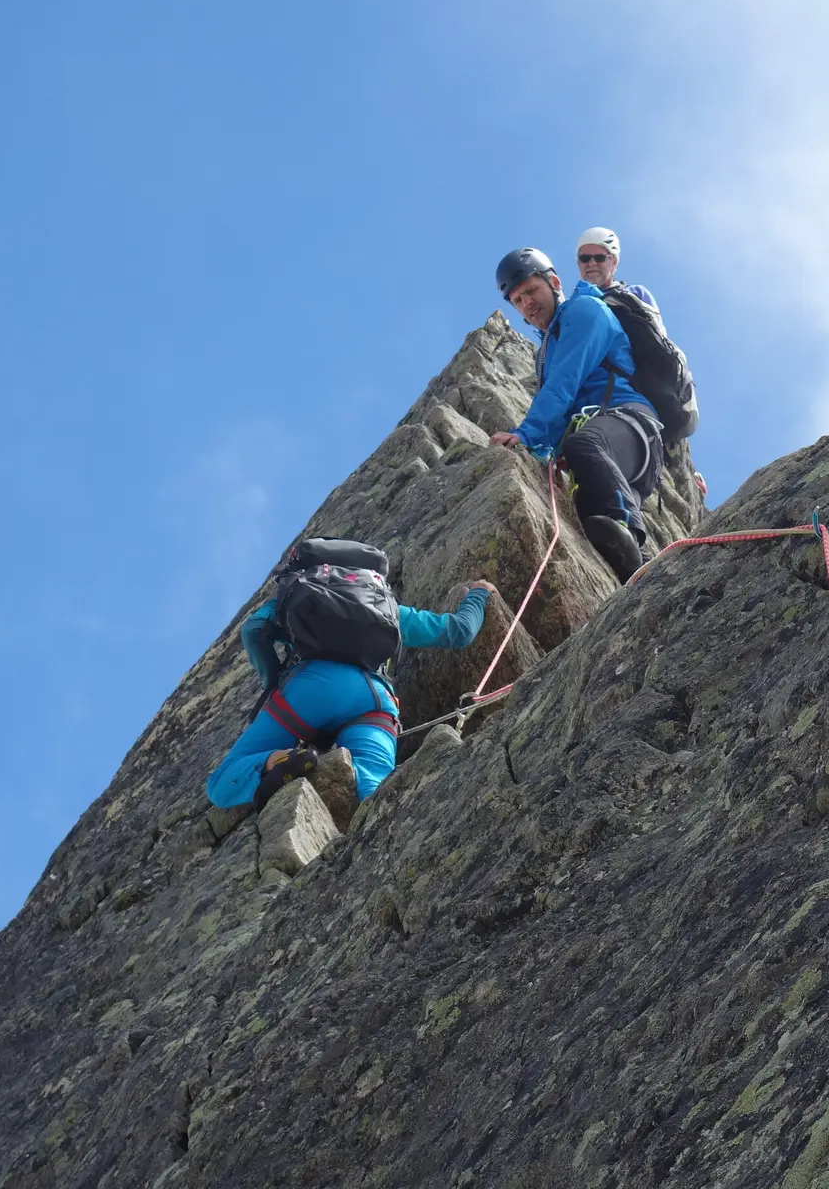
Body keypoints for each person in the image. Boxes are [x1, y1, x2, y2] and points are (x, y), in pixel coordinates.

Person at [204, 542, 497, 810]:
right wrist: (478, 593)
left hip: (311, 690)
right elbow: (459, 632)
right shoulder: (386, 606)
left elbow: (253, 631)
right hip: (374, 699)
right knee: (374, 790)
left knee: (221, 785)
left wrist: (274, 681)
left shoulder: (297, 592)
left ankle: (277, 760)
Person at [490, 246, 664, 583]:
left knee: (583, 446)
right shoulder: (548, 348)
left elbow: (564, 383)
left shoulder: (585, 310)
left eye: (531, 291)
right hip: (617, 454)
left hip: (631, 425)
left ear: (554, 282)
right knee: (587, 510)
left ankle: (630, 531)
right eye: (518, 300)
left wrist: (525, 436)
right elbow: (562, 411)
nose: (527, 303)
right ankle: (640, 583)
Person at [574, 226, 657, 310]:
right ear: (578, 263)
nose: (592, 263)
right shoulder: (571, 305)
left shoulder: (637, 293)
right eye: (584, 258)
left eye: (599, 258)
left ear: (614, 261)